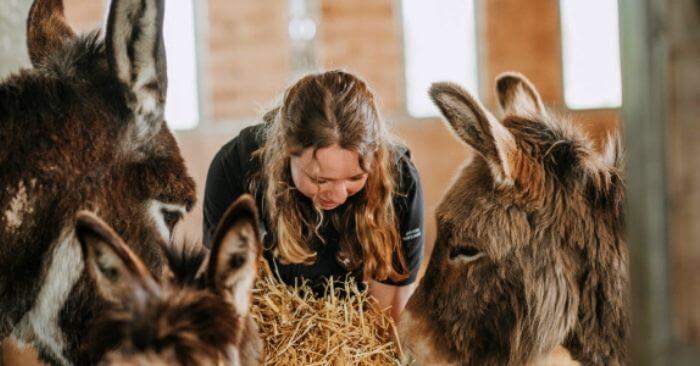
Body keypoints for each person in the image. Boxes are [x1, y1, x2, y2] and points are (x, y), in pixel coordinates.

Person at [203, 70, 424, 321]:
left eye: (355, 178)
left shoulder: (399, 179)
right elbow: (223, 288)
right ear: (286, 152)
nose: (339, 195)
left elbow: (390, 306)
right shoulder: (235, 166)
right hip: (272, 317)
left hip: (355, 320)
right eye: (320, 180)